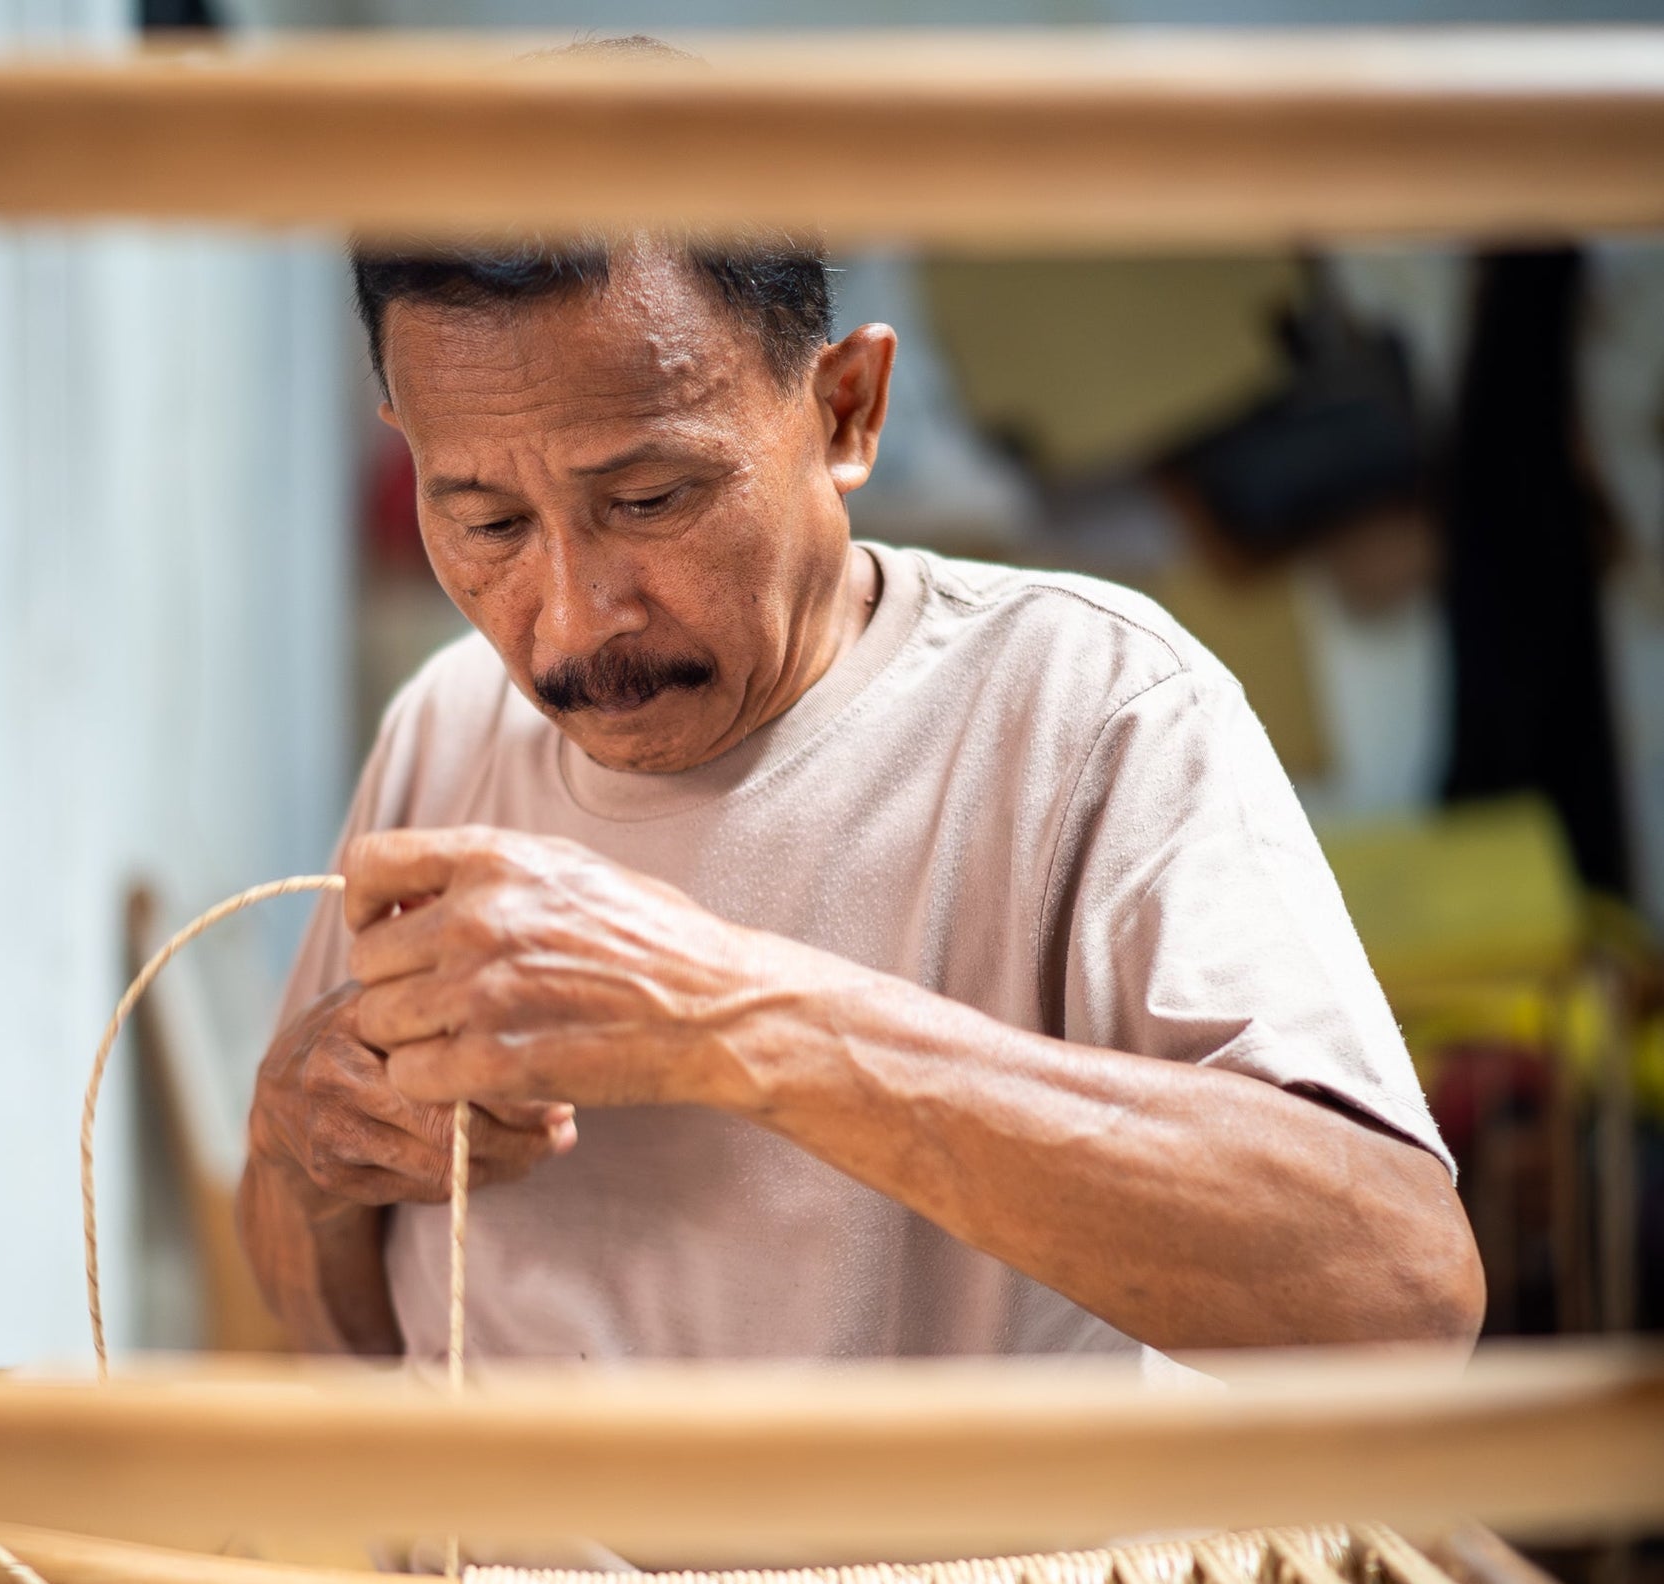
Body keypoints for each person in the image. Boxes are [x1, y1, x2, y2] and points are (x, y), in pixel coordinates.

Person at [236, 223, 1483, 1386]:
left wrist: (736, 1015)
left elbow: (1399, 1301)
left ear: (844, 408)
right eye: (489, 520)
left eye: (650, 498)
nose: (569, 624)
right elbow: (337, 1331)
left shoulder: (1090, 705)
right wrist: (311, 1159)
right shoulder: (447, 723)